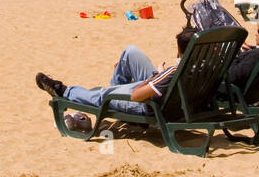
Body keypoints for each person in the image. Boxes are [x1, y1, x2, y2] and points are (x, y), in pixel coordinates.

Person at [35, 28, 199, 115]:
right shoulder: (204, 67)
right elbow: (168, 82)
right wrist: (159, 75)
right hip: (167, 93)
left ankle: (63, 91)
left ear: (180, 50)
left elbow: (136, 96)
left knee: (103, 95)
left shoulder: (174, 72)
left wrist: (152, 80)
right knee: (130, 52)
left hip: (147, 105)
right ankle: (117, 87)